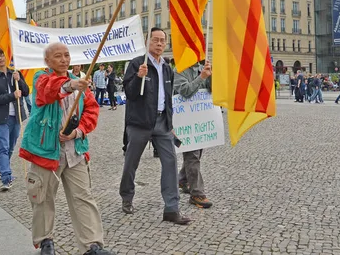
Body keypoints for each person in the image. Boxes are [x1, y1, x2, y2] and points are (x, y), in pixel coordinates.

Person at [19, 43, 115, 255]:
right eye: (58, 56)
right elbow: (48, 91)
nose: (64, 59)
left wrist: (78, 131)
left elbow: (91, 110)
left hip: (75, 150)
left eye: (66, 55)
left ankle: (92, 245)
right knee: (43, 198)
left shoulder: (81, 83)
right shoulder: (40, 78)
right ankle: (45, 241)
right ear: (47, 61)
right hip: (45, 150)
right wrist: (71, 85)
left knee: (83, 197)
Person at [120, 27, 191, 225]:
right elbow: (130, 94)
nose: (159, 44)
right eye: (155, 40)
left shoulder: (167, 68)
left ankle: (171, 209)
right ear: (147, 42)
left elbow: (168, 99)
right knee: (131, 163)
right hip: (140, 123)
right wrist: (138, 77)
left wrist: (170, 123)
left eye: (162, 40)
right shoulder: (137, 64)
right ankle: (127, 196)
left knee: (170, 163)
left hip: (162, 124)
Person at [0, 47, 29, 191]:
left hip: (16, 116)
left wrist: (20, 81)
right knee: (3, 146)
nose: (0, 58)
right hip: (1, 118)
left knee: (10, 146)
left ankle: (2, 167)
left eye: (1, 55)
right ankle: (6, 176)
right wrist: (12, 96)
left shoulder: (14, 73)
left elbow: (26, 91)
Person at [174, 61, 213, 209]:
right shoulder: (180, 70)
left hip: (200, 121)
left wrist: (211, 76)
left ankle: (183, 179)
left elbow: (213, 89)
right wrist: (202, 77)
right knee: (193, 156)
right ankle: (197, 194)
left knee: (197, 153)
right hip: (185, 122)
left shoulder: (202, 68)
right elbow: (184, 90)